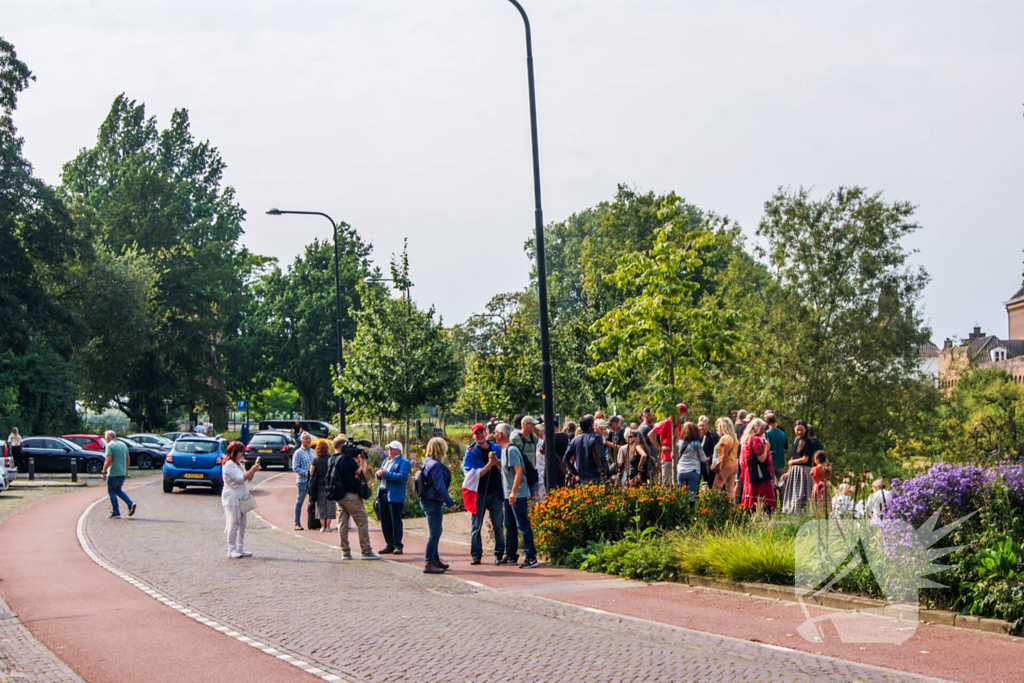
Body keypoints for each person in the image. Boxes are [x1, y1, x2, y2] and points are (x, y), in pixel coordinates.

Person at [494, 424, 538, 568]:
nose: (493, 435)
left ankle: (531, 557)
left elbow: (518, 471)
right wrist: (495, 462)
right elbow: (508, 470)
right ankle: (511, 555)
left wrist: (513, 492)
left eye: (495, 432)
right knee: (510, 525)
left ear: (500, 434)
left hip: (517, 494)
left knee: (522, 524)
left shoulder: (511, 450)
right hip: (510, 495)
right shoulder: (505, 450)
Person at [332, 435, 381, 560]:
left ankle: (345, 552)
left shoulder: (332, 459)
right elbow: (362, 473)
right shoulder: (348, 461)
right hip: (351, 495)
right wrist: (363, 460)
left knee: (342, 524)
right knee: (362, 522)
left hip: (339, 496)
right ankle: (366, 551)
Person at [463, 424, 505, 565]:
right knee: (476, 525)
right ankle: (476, 554)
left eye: (481, 432)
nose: (480, 435)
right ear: (473, 435)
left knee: (498, 524)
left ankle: (499, 554)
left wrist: (496, 461)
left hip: (495, 493)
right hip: (479, 494)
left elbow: (502, 468)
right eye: (477, 433)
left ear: (486, 433)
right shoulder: (470, 452)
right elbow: (474, 474)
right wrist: (490, 463)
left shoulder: (496, 448)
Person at [420, 437, 456, 574]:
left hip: (427, 500)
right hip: (432, 501)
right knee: (435, 532)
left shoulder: (426, 462)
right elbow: (440, 487)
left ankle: (435, 559)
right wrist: (450, 502)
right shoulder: (434, 465)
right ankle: (429, 561)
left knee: (436, 531)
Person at [221, 440, 259, 558]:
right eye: (240, 451)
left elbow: (247, 478)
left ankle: (240, 547)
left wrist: (253, 472)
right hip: (232, 496)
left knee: (242, 523)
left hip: (242, 496)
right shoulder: (229, 464)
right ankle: (231, 549)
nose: (241, 454)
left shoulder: (238, 464)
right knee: (233, 522)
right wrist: (251, 470)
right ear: (233, 452)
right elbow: (239, 479)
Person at [375, 440, 411, 554]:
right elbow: (379, 472)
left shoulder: (404, 462)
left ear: (398, 450)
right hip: (383, 493)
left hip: (394, 495)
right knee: (385, 520)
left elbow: (402, 476)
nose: (389, 451)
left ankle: (397, 545)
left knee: (395, 520)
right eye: (389, 449)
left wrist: (386, 474)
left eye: (392, 449)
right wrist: (378, 474)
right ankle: (389, 544)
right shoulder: (386, 460)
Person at [738, 418, 775, 512]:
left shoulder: (746, 439)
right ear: (756, 429)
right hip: (759, 475)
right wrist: (766, 448)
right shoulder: (756, 440)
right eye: (763, 428)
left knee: (750, 496)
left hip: (748, 472)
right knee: (761, 498)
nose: (764, 431)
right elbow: (761, 459)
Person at [781, 420, 816, 514]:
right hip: (795, 470)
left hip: (803, 470)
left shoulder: (808, 441)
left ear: (805, 430)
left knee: (801, 493)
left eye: (801, 430)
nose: (799, 432)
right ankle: (792, 511)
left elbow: (805, 459)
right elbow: (793, 456)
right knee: (794, 493)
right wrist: (788, 472)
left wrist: (792, 462)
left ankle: (803, 512)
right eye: (797, 430)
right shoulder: (796, 440)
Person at [564, 415, 607, 486]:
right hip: (595, 474)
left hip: (582, 476)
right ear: (590, 426)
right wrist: (606, 472)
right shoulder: (596, 437)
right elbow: (601, 456)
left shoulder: (575, 440)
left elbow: (565, 459)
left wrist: (575, 472)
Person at [101, 430, 136, 519]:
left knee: (111, 491)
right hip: (122, 472)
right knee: (118, 490)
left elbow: (108, 459)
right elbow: (128, 458)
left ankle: (116, 511)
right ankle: (130, 503)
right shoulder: (123, 445)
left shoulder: (109, 445)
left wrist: (104, 471)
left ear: (108, 438)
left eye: (106, 438)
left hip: (113, 472)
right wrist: (126, 470)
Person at [307, 440, 337, 532]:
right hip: (329, 485)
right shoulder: (331, 458)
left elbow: (311, 472)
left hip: (319, 485)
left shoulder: (315, 459)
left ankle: (322, 526)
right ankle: (328, 526)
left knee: (320, 506)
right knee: (330, 505)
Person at [511, 415, 540, 497]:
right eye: (532, 425)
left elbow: (534, 453)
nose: (534, 427)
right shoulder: (515, 439)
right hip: (521, 474)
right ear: (525, 425)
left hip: (532, 472)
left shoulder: (533, 437)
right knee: (523, 499)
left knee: (534, 498)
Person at [291, 433, 315, 530]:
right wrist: (307, 474)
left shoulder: (313, 451)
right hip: (303, 481)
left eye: (309, 439)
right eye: (306, 439)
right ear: (301, 441)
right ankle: (297, 523)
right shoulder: (298, 453)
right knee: (299, 501)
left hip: (313, 481)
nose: (308, 441)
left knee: (313, 501)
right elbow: (295, 467)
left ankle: (313, 523)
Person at [675, 422, 705, 498]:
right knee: (692, 495)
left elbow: (673, 455)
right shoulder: (697, 443)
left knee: (682, 495)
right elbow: (703, 458)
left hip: (681, 470)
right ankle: (691, 508)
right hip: (693, 471)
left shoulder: (679, 443)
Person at [712, 417, 739, 497]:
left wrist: (720, 470)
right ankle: (732, 507)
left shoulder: (725, 438)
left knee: (716, 488)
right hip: (734, 465)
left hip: (726, 466)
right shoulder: (734, 437)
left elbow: (724, 455)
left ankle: (714, 507)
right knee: (730, 489)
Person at [649, 414, 675, 487]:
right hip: (666, 456)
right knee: (666, 482)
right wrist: (659, 448)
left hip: (674, 456)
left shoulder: (677, 424)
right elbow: (650, 434)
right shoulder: (666, 422)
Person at [764, 415, 789, 484]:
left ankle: (773, 495)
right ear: (775, 420)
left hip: (770, 461)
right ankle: (782, 495)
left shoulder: (766, 433)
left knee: (771, 483)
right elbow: (786, 449)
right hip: (780, 461)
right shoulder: (782, 433)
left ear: (766, 422)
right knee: (781, 483)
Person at [637, 409, 659, 485]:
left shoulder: (643, 427)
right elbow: (642, 443)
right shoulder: (645, 428)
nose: (654, 417)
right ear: (647, 416)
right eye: (652, 416)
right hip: (648, 460)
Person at [697, 416, 719, 490]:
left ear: (707, 426)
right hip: (701, 464)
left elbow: (717, 450)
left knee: (711, 482)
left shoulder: (712, 437)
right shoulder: (700, 438)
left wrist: (710, 458)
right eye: (700, 426)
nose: (701, 428)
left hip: (710, 463)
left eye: (703, 425)